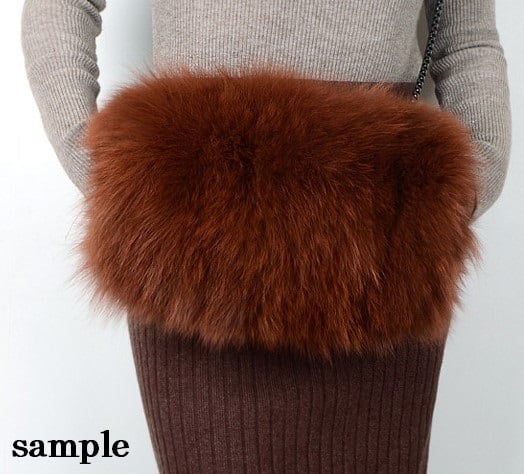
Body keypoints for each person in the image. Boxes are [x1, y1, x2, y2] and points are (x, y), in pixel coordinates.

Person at [20, 1, 511, 472]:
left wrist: (470, 181)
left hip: (379, 231)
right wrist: (101, 165)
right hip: (193, 232)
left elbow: (466, 38)